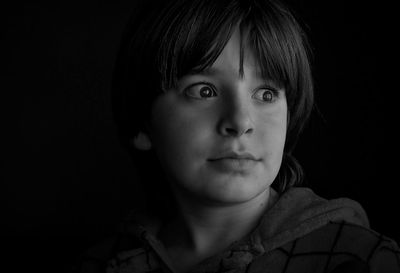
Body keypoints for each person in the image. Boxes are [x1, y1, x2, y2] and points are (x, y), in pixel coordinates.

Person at [75, 0, 400, 272]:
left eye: (266, 94)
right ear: (141, 125)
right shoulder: (100, 265)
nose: (241, 121)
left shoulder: (358, 260)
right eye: (204, 90)